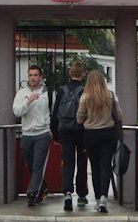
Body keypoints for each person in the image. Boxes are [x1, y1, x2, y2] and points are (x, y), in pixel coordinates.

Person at [76, 70, 123, 213]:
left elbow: (79, 118)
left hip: (90, 135)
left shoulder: (85, 97)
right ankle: (104, 198)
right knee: (105, 167)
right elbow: (119, 115)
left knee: (95, 167)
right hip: (108, 134)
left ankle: (97, 199)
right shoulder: (110, 95)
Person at [50, 60, 89, 211]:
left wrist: (55, 134)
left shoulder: (61, 91)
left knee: (67, 163)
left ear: (69, 73)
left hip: (64, 131)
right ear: (83, 74)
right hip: (81, 131)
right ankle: (81, 195)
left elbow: (54, 114)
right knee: (81, 163)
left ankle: (67, 193)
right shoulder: (84, 91)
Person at [12, 65, 51, 207]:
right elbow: (16, 112)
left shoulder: (47, 93)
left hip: (43, 133)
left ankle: (32, 193)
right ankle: (43, 187)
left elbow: (52, 110)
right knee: (31, 164)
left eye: (36, 75)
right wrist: (28, 101)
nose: (33, 78)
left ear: (41, 77)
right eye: (31, 75)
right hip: (27, 134)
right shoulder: (22, 93)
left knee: (38, 165)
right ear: (28, 77)